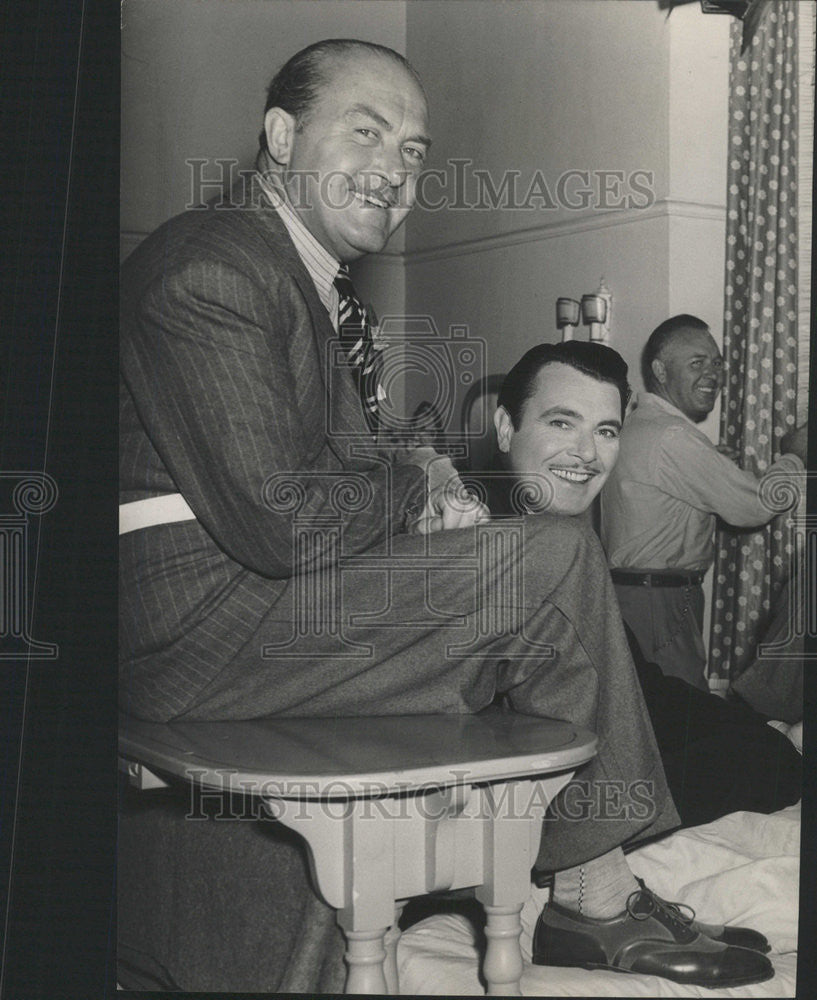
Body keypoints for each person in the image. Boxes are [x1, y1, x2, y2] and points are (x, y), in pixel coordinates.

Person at [119, 41, 772, 987]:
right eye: (366, 132)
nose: (394, 169)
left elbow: (322, 474)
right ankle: (594, 897)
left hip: (242, 611)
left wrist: (417, 482)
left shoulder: (296, 276)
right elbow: (279, 517)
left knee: (530, 578)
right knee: (547, 558)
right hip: (196, 635)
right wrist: (419, 486)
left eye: (416, 152)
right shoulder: (214, 267)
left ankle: (571, 880)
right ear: (279, 135)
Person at [470, 339, 801, 832]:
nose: (586, 453)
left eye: (605, 431)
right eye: (561, 422)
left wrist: (762, 732)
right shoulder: (472, 542)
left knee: (770, 756)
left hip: (595, 750)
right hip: (540, 791)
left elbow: (641, 686)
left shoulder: (572, 543)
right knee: (769, 765)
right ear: (504, 428)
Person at [600, 315, 807, 690]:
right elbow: (755, 506)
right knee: (680, 721)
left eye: (717, 363)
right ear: (660, 371)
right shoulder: (673, 435)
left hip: (637, 596)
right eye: (697, 363)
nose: (713, 373)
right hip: (657, 603)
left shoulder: (638, 424)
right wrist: (796, 456)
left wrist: (710, 460)